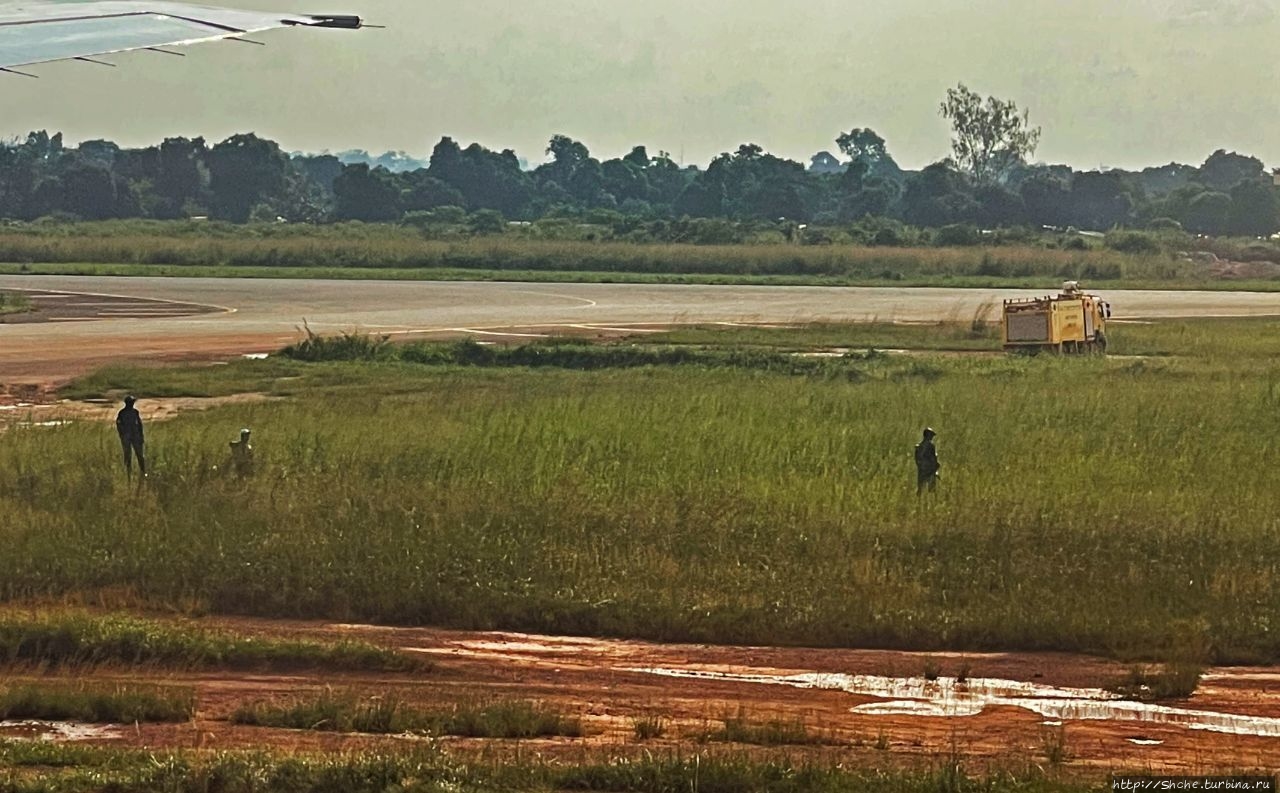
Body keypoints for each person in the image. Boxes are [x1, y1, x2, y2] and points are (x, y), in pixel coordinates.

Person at [115, 395, 146, 479]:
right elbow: (118, 423)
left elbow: (139, 424)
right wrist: (122, 434)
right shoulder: (122, 413)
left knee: (139, 455)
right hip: (129, 436)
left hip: (134, 436)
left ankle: (143, 472)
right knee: (128, 455)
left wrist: (141, 435)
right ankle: (128, 473)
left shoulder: (135, 412)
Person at [914, 427, 940, 495]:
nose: (932, 437)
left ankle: (919, 500)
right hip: (930, 470)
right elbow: (933, 458)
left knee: (921, 488)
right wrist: (936, 466)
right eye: (931, 435)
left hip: (922, 470)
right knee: (931, 490)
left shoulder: (919, 447)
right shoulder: (930, 446)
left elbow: (917, 460)